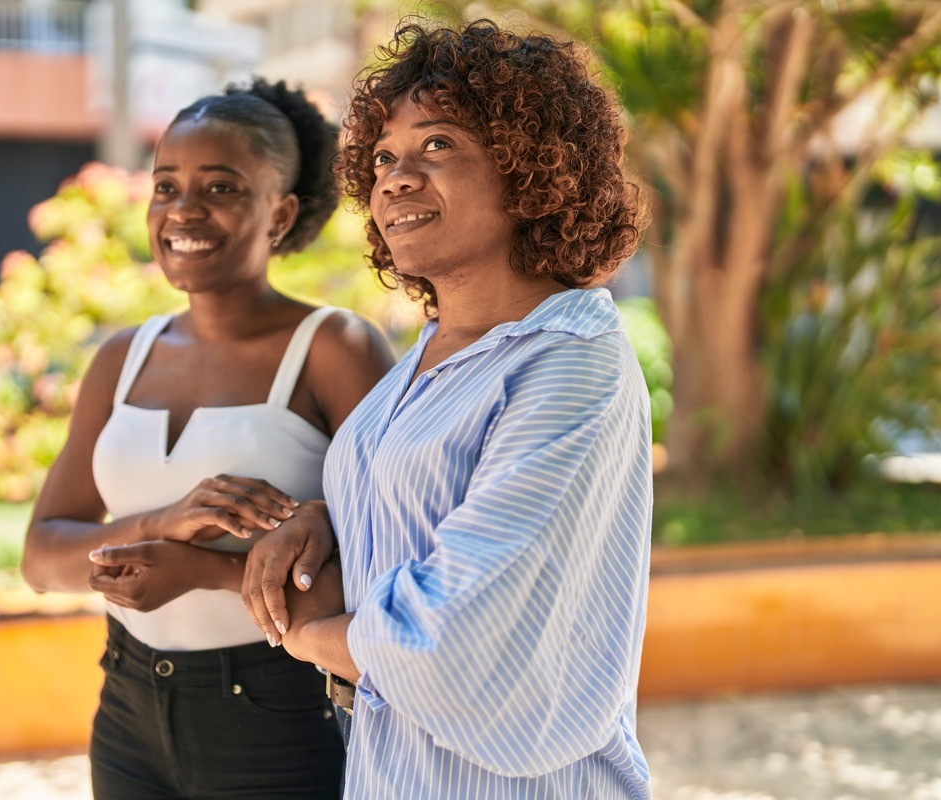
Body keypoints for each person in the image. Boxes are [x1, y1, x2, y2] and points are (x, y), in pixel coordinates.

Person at [242, 20, 654, 799]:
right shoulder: (430, 357)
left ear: (533, 168)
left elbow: (455, 638)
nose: (395, 178)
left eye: (437, 146)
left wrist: (302, 638)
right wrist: (330, 515)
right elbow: (422, 503)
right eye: (384, 158)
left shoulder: (566, 362)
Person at [21, 78, 395, 799]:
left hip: (282, 707)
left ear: (279, 213)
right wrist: (160, 526)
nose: (183, 210)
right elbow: (42, 557)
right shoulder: (120, 360)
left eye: (220, 188)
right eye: (166, 187)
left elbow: (389, 563)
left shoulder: (333, 349)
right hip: (129, 702)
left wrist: (202, 571)